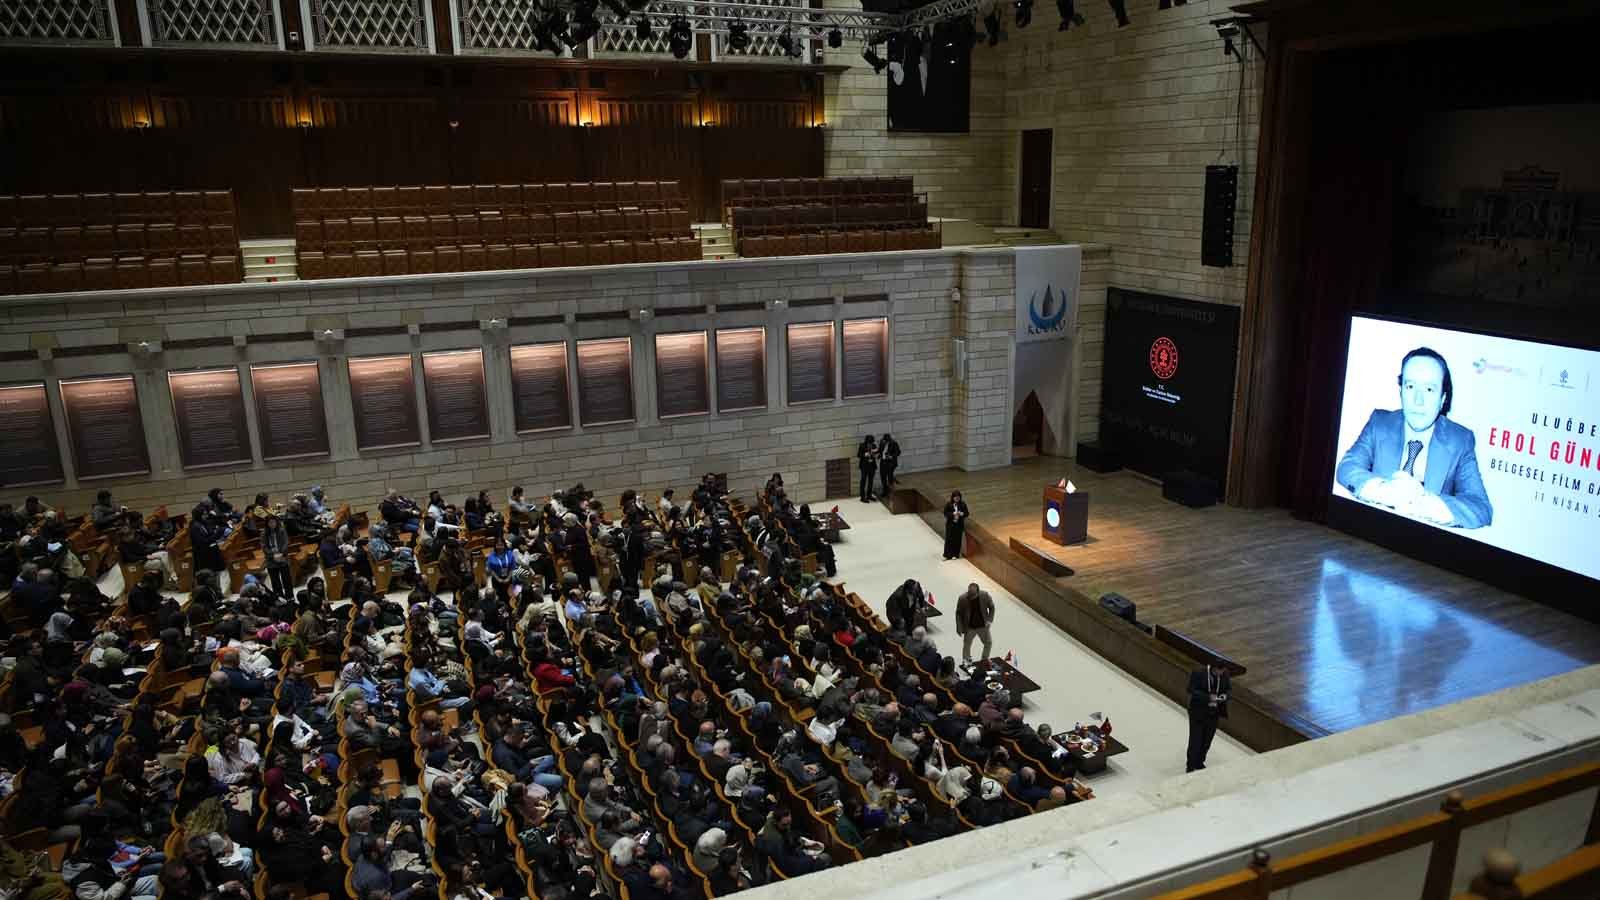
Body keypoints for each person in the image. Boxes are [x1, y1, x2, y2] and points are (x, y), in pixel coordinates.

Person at [1335, 346, 1492, 529]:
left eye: (1429, 389)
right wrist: (1385, 491)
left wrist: (1423, 503)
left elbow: (1481, 508)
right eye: (1410, 386)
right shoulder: (1380, 423)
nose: (1418, 400)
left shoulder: (1460, 440)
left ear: (1443, 399)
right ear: (1401, 391)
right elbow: (1347, 467)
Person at [1186, 662, 1230, 772]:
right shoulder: (1199, 673)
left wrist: (1225, 696)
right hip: (1198, 712)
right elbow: (1191, 689)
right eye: (1218, 672)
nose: (1220, 674)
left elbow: (1228, 689)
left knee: (1207, 740)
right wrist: (1208, 697)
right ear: (1213, 668)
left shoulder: (1224, 675)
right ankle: (1190, 765)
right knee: (1195, 740)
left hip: (1214, 713)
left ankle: (1199, 762)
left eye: (1222, 672)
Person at [954, 583, 994, 664]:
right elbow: (958, 613)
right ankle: (966, 660)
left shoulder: (985, 595)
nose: (971, 597)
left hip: (982, 625)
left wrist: (989, 620)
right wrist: (959, 626)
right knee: (967, 644)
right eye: (969, 594)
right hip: (969, 627)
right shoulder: (962, 598)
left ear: (978, 592)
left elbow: (992, 607)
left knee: (988, 642)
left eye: (973, 595)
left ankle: (984, 659)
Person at [942, 490, 969, 560]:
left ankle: (955, 554)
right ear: (953, 497)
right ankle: (947, 555)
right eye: (955, 497)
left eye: (958, 497)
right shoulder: (949, 504)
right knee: (949, 540)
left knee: (957, 540)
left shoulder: (963, 504)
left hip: (959, 525)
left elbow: (967, 513)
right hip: (950, 525)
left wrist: (962, 513)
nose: (957, 499)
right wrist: (953, 514)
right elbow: (945, 513)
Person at [857, 435, 879, 503]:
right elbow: (858, 455)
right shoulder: (862, 445)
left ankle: (869, 495)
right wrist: (864, 454)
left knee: (871, 481)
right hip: (864, 466)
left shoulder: (874, 445)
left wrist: (875, 453)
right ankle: (862, 497)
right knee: (863, 481)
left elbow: (876, 454)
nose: (870, 444)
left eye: (871, 443)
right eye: (869, 443)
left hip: (872, 465)